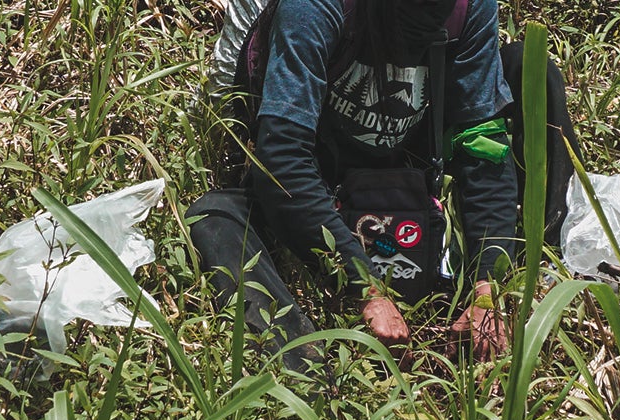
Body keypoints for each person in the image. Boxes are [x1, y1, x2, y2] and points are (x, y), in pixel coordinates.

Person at [189, 0, 576, 367]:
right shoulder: (317, 8)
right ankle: (303, 367)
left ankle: (543, 266)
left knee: (532, 68)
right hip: (325, 170)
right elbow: (281, 160)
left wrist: (486, 285)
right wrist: (365, 289)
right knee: (216, 217)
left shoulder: (467, 7)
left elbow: (483, 147)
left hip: (413, 151)